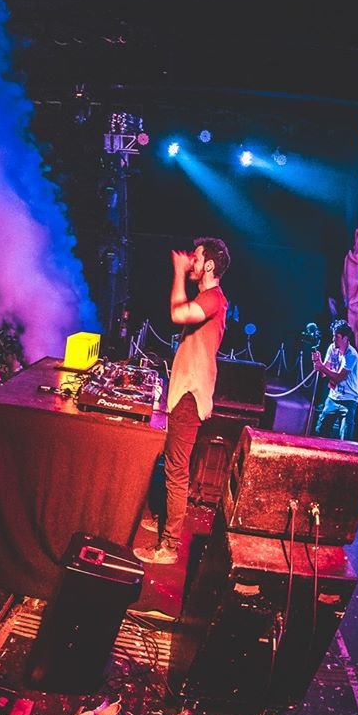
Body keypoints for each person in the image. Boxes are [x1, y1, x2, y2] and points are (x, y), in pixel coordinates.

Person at [135, 237, 230, 566]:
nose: (191, 261)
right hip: (184, 393)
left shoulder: (213, 298)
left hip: (191, 395)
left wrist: (177, 272)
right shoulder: (208, 298)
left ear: (209, 265)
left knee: (176, 470)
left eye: (197, 258)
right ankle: (163, 519)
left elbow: (177, 313)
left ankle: (169, 546)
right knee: (170, 461)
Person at [314, 320, 358, 440]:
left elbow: (339, 378)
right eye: (333, 336)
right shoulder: (332, 348)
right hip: (333, 398)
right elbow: (323, 374)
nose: (333, 339)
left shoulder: (351, 355)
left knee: (345, 437)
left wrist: (321, 367)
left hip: (348, 401)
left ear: (345, 338)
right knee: (320, 431)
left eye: (337, 337)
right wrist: (318, 363)